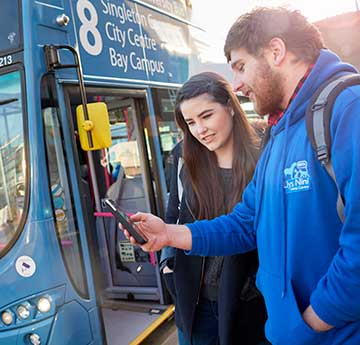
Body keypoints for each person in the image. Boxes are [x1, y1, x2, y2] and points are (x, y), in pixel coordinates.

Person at [122, 7, 360, 345]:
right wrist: (168, 235)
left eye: (241, 66)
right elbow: (246, 223)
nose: (237, 84)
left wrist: (312, 321)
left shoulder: (348, 108)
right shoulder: (281, 133)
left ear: (276, 52)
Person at [160, 72, 268, 345]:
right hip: (194, 304)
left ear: (230, 106)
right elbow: (174, 213)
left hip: (251, 305)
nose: (200, 130)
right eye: (190, 122)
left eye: (206, 116)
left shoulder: (268, 150)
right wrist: (168, 264)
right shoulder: (183, 157)